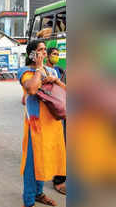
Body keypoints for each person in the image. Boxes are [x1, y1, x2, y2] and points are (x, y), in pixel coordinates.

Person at [17, 40, 66, 207]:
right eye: (40, 50)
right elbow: (31, 89)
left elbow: (64, 92)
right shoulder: (25, 71)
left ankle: (39, 193)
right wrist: (39, 68)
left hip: (53, 122)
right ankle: (29, 199)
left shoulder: (52, 70)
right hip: (36, 124)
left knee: (46, 158)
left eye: (45, 50)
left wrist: (56, 81)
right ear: (32, 53)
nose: (44, 53)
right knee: (33, 161)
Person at [45, 47, 67, 195]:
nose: (56, 56)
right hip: (54, 112)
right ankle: (59, 179)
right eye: (54, 54)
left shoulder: (60, 70)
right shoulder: (43, 71)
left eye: (58, 54)